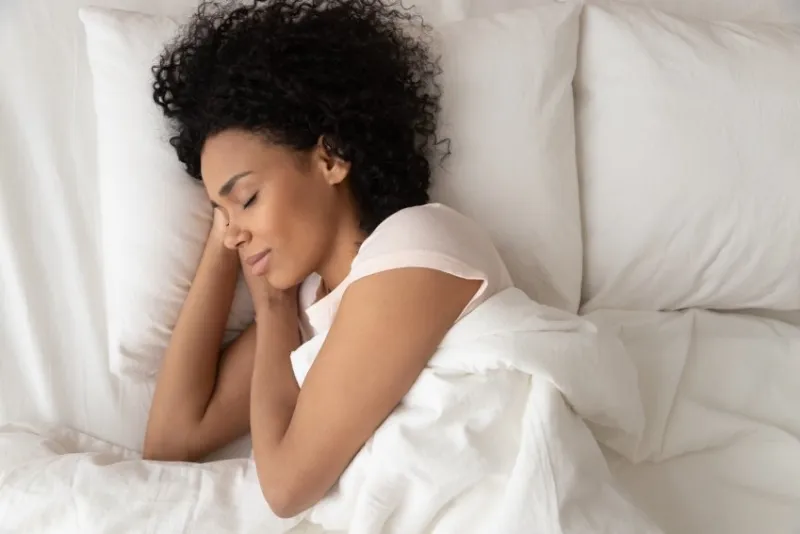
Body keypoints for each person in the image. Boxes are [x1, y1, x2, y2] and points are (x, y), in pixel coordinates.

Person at [142, 0, 513, 519]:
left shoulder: (418, 244)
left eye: (247, 198)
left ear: (330, 158)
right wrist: (231, 239)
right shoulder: (312, 308)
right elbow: (170, 442)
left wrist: (272, 312)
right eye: (220, 214)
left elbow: (287, 489)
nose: (232, 235)